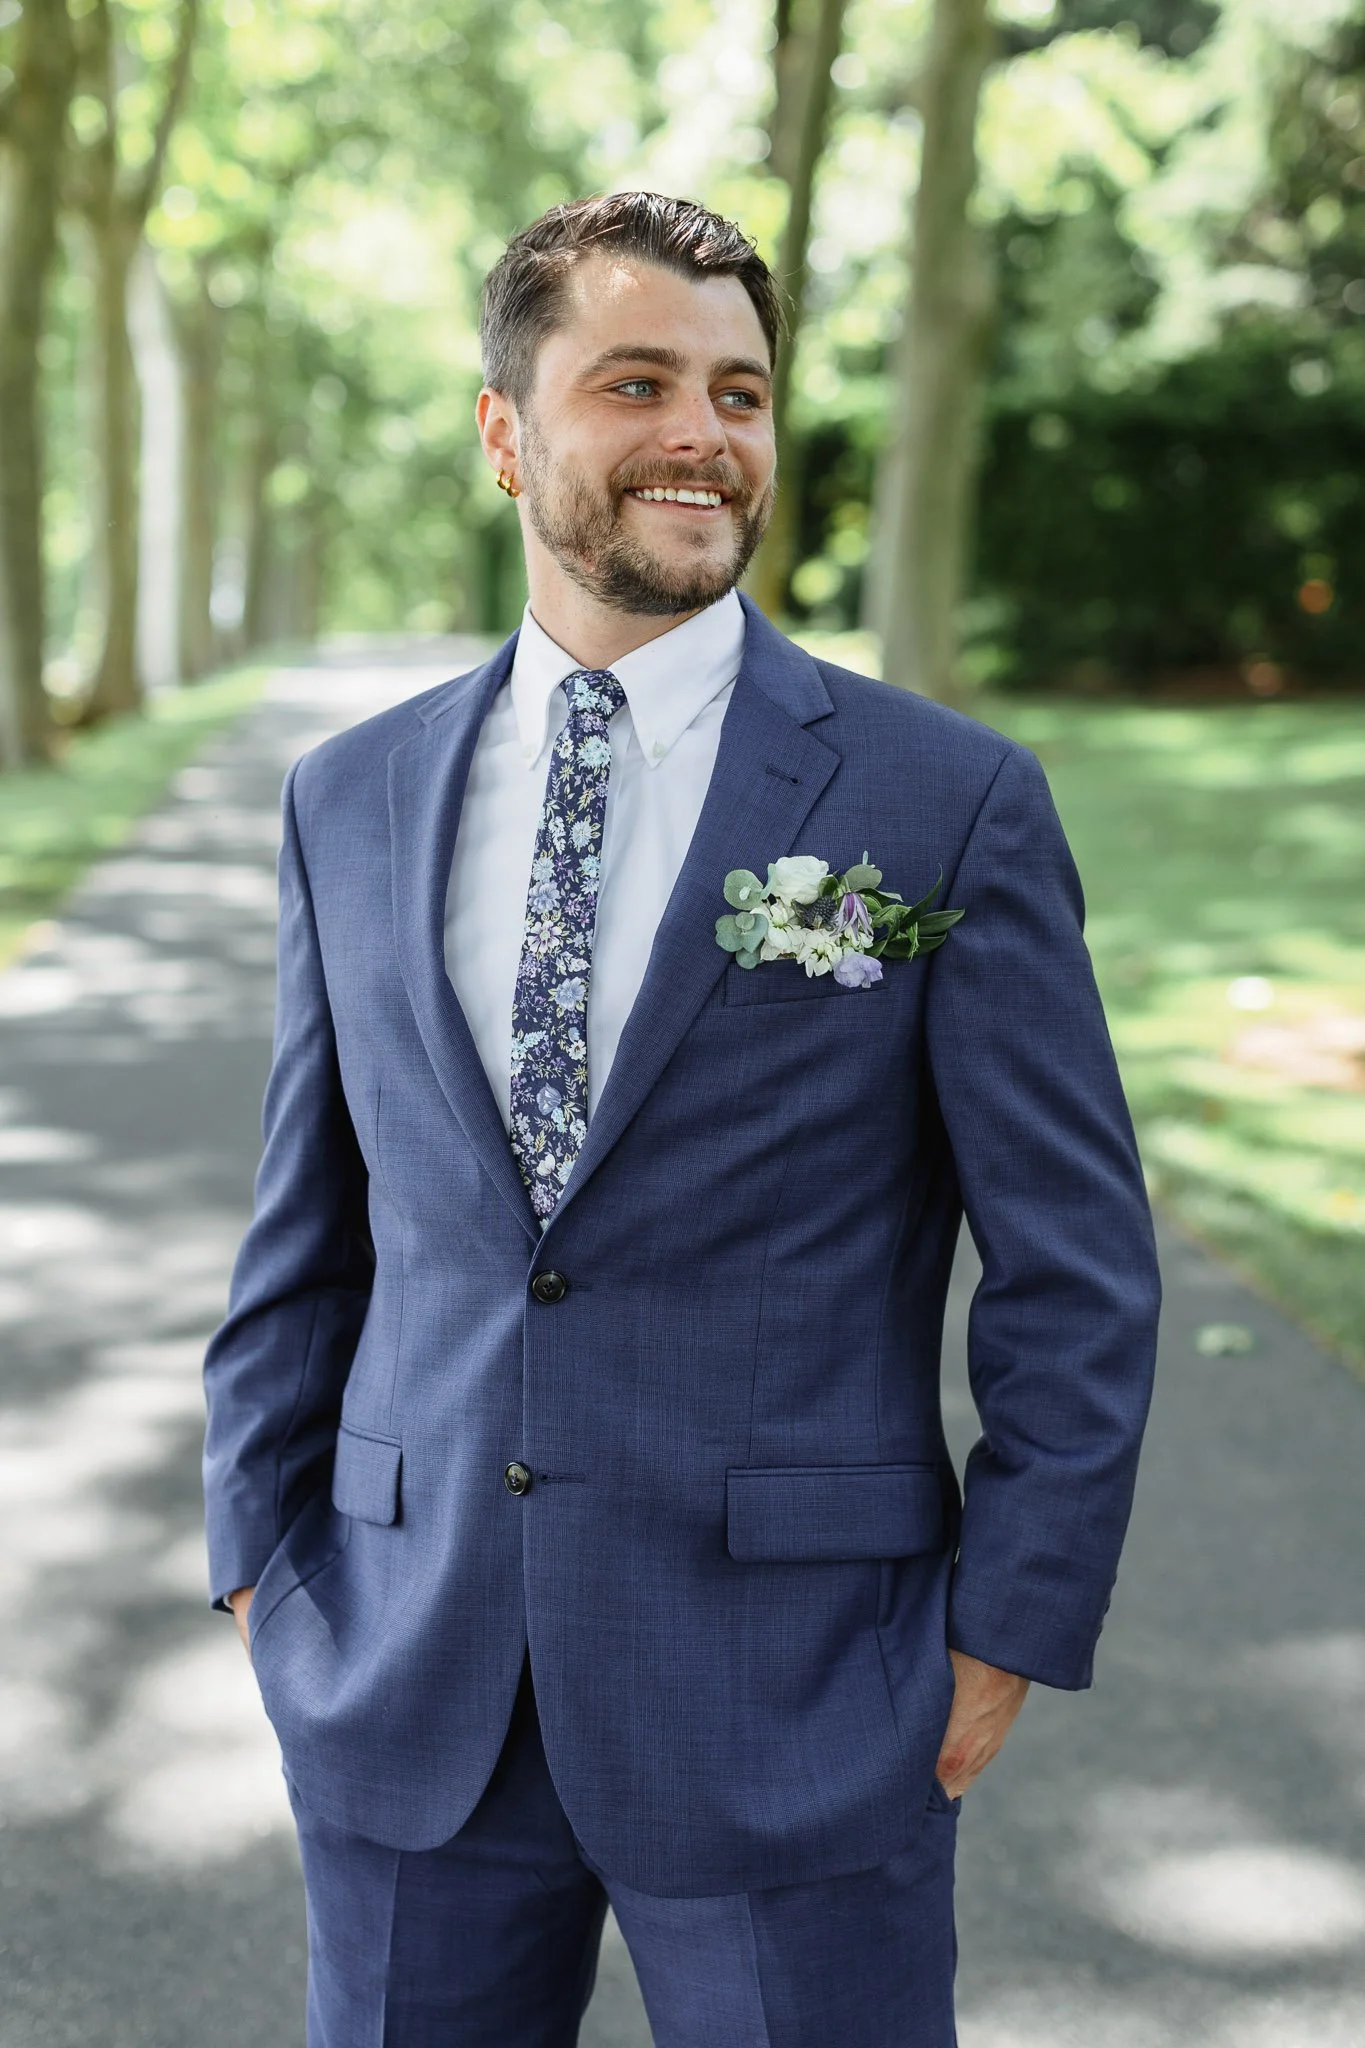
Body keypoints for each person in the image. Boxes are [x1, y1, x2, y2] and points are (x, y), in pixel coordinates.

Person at [203, 191, 1160, 2048]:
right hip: (410, 1680)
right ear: (505, 433)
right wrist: (261, 1555)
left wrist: (1003, 1634)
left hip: (803, 1698)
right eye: (635, 381)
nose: (701, 434)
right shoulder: (354, 797)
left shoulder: (942, 802)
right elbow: (306, 1223)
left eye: (738, 389)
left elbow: (1076, 1264)